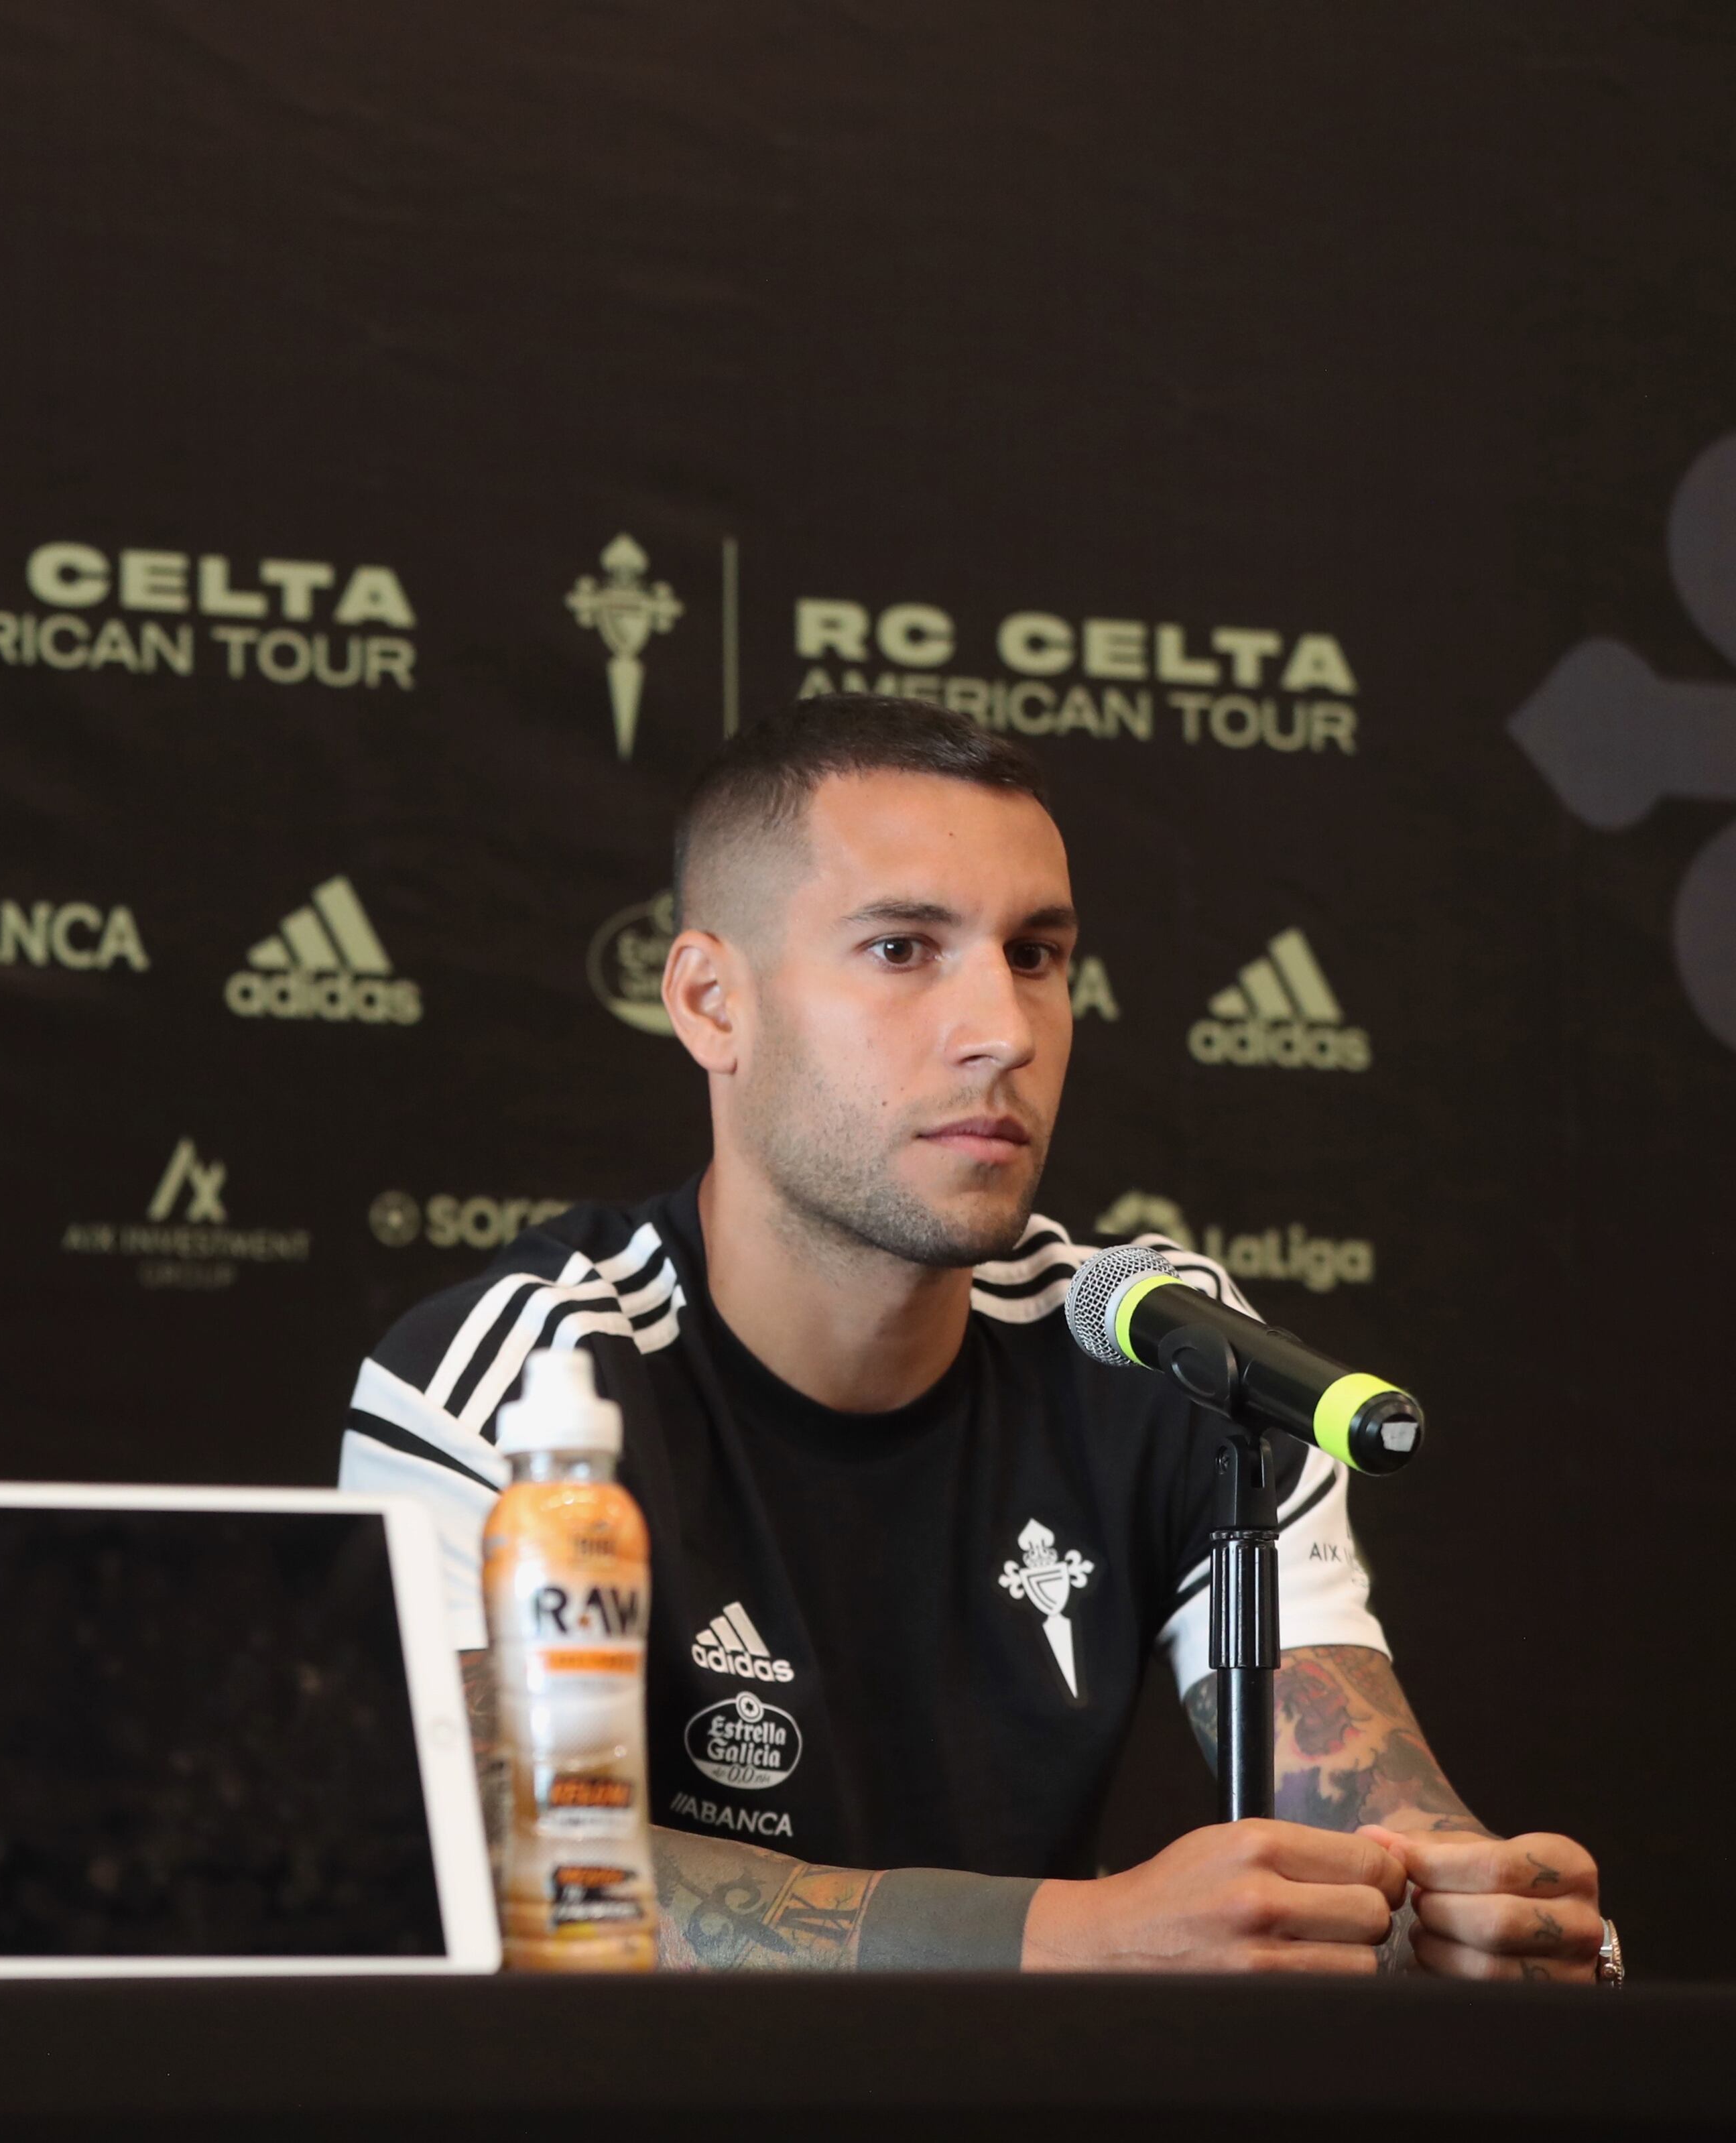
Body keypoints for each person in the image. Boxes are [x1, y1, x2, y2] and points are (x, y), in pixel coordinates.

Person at [342, 695, 1614, 1979]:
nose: (1003, 1030)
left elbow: (1371, 1809)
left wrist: (1477, 1906)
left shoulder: (1165, 1350)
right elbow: (504, 1868)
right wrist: (1081, 1934)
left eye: (1037, 954)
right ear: (711, 1002)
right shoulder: (505, 1380)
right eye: (903, 949)